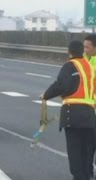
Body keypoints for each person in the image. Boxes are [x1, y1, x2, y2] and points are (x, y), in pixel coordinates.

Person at [41, 40, 96, 180]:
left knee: (75, 149)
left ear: (69, 52)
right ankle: (85, 176)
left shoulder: (70, 66)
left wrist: (46, 95)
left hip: (73, 114)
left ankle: (79, 177)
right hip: (90, 115)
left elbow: (60, 85)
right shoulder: (90, 67)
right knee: (85, 149)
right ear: (82, 51)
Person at [84, 34, 96, 179]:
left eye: (87, 47)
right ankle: (87, 172)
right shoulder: (84, 60)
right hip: (88, 112)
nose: (84, 49)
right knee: (88, 147)